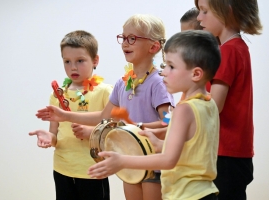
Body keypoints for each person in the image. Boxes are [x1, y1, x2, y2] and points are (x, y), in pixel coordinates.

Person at [36, 14, 174, 200]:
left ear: (154, 46)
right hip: (130, 163)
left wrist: (137, 128)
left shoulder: (158, 82)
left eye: (132, 38)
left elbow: (168, 121)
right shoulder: (123, 83)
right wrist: (65, 116)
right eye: (123, 38)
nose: (125, 43)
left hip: (154, 165)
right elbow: (103, 116)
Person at [88, 30, 221, 200]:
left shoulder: (182, 108)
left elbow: (168, 154)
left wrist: (122, 161)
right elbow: (191, 147)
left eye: (171, 67)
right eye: (165, 65)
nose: (164, 72)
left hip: (186, 195)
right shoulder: (209, 104)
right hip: (205, 192)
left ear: (196, 74)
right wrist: (156, 141)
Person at [29, 30, 113, 200]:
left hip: (93, 170)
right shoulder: (57, 95)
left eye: (80, 61)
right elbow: (54, 133)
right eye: (67, 61)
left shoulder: (106, 92)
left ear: (95, 60)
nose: (73, 67)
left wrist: (91, 131)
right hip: (62, 168)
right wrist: (49, 137)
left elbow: (115, 129)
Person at [195, 0, 263, 199]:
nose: (199, 17)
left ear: (227, 12)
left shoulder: (228, 51)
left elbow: (213, 107)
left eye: (204, 11)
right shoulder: (237, 47)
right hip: (231, 152)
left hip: (225, 152)